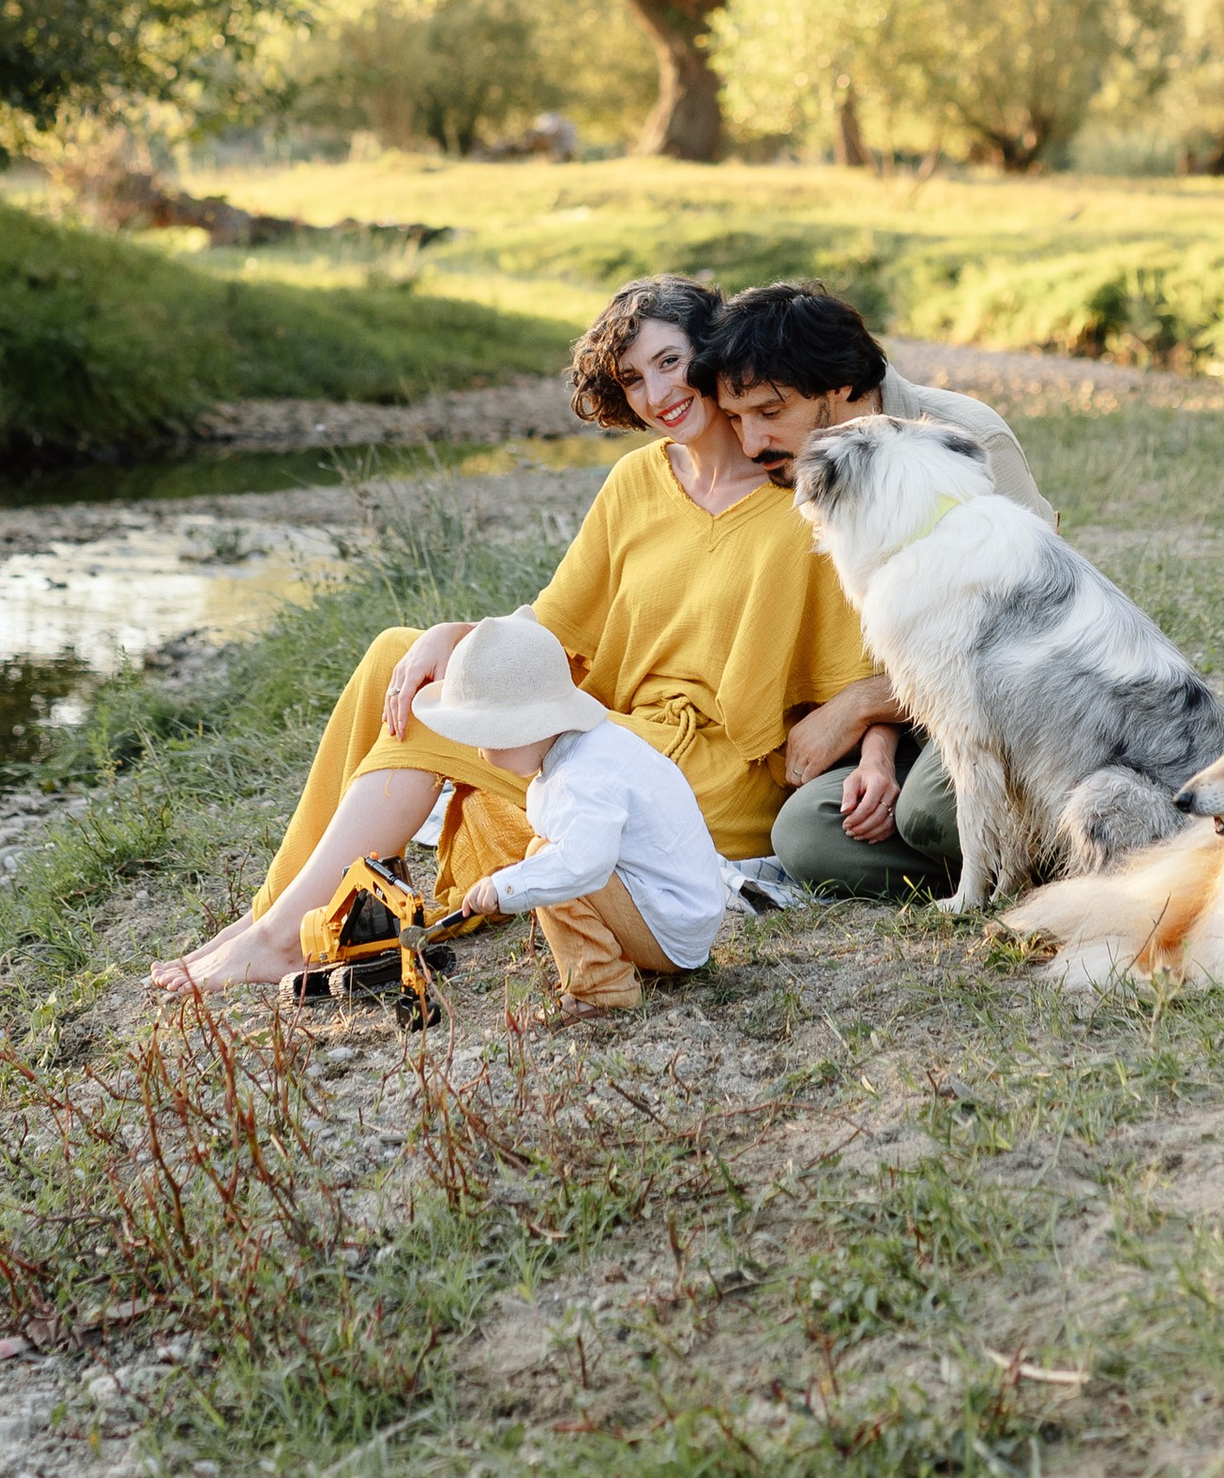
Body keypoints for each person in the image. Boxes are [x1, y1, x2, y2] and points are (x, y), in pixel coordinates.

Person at [149, 273, 879, 991]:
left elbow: (870, 666)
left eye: (669, 362)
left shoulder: (801, 503)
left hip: (700, 781)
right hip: (612, 734)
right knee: (398, 655)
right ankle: (269, 920)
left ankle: (283, 937)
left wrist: (874, 752)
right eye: (632, 379)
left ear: (712, 356)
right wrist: (451, 634)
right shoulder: (636, 482)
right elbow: (554, 629)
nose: (658, 396)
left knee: (429, 724)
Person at [686, 282, 1052, 907]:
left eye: (771, 412)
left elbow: (1028, 635)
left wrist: (861, 707)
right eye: (736, 418)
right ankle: (1008, 855)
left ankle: (1034, 839)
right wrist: (876, 749)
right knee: (807, 837)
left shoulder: (964, 439)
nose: (751, 444)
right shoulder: (788, 468)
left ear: (846, 388)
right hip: (911, 718)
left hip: (1005, 702)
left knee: (934, 809)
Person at [422, 612, 731, 1015]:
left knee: (546, 863)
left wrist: (507, 887)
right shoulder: (592, 745)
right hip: (679, 913)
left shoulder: (581, 777)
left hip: (674, 931)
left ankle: (601, 988)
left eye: (486, 739)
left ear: (524, 727)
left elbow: (583, 865)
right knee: (543, 853)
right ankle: (601, 958)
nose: (481, 755)